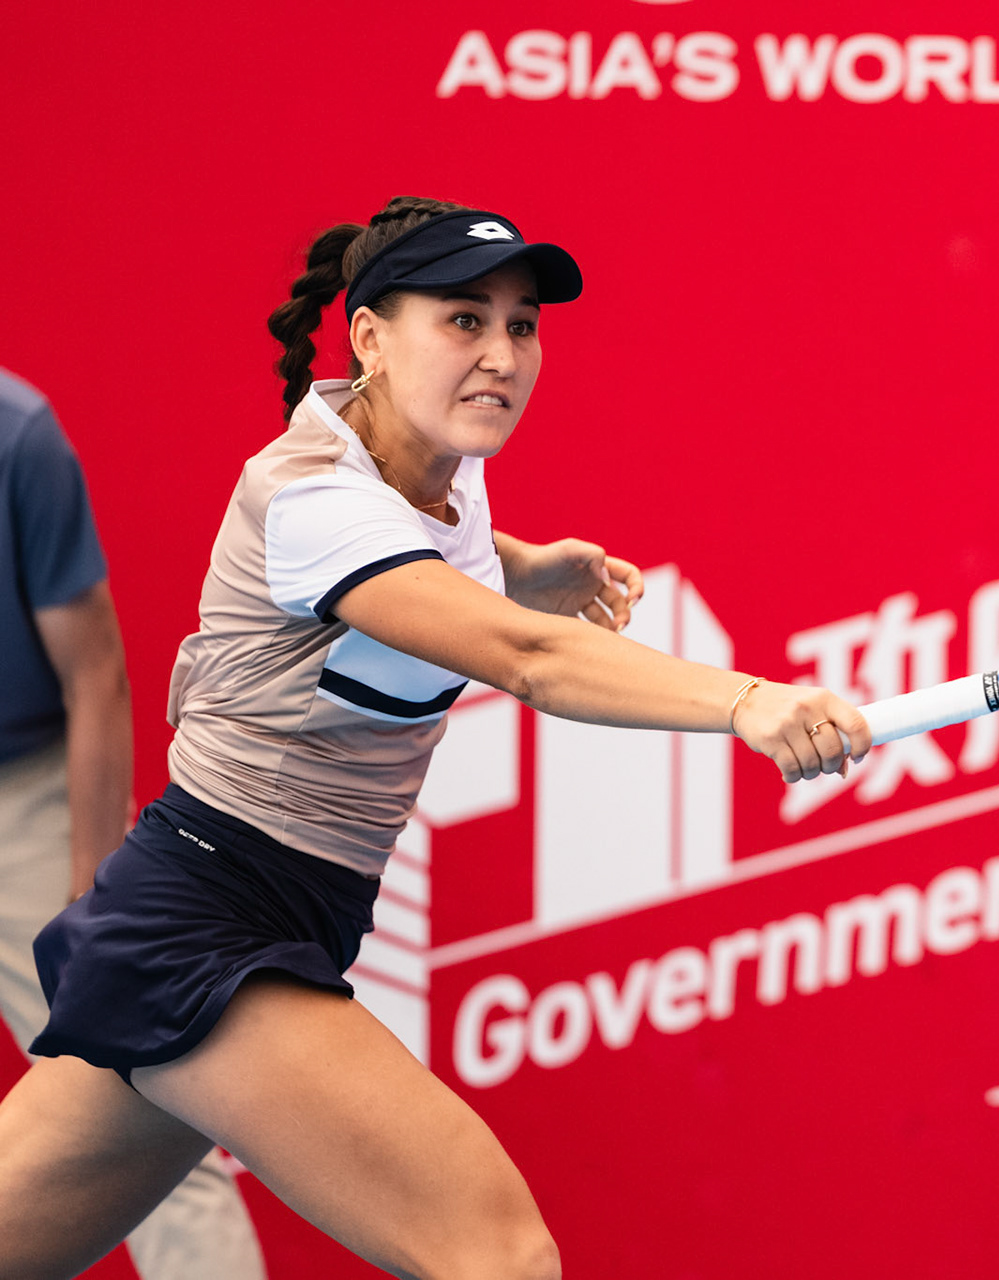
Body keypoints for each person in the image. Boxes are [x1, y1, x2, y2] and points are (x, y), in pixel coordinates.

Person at [0, 197, 870, 1279]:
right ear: (368, 336)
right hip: (209, 925)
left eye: (522, 324)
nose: (503, 354)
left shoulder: (433, 472)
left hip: (252, 907)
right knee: (498, 1254)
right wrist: (746, 698)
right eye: (464, 319)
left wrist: (515, 563)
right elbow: (528, 658)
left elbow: (427, 570)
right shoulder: (312, 497)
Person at [0, 367, 268, 1278]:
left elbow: (95, 674)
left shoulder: (18, 435)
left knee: (137, 1100)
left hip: (27, 792)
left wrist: (86, 889)